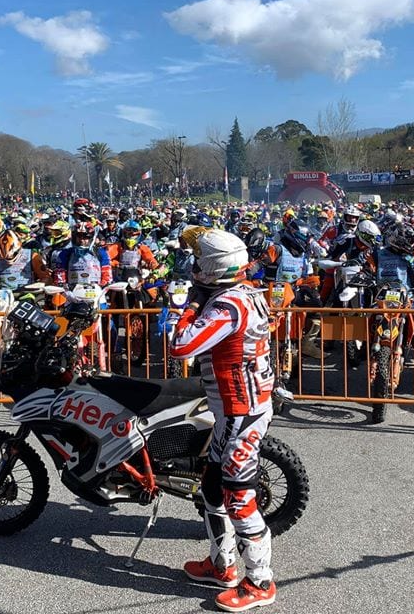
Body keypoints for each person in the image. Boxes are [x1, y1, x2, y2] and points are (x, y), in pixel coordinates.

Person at [168, 228, 277, 612]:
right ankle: (222, 565)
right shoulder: (243, 292)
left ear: (213, 267)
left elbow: (181, 345)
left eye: (199, 260)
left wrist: (190, 304)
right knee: (211, 489)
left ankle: (260, 580)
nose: (194, 265)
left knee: (238, 496)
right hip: (232, 411)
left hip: (242, 412)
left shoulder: (227, 304)